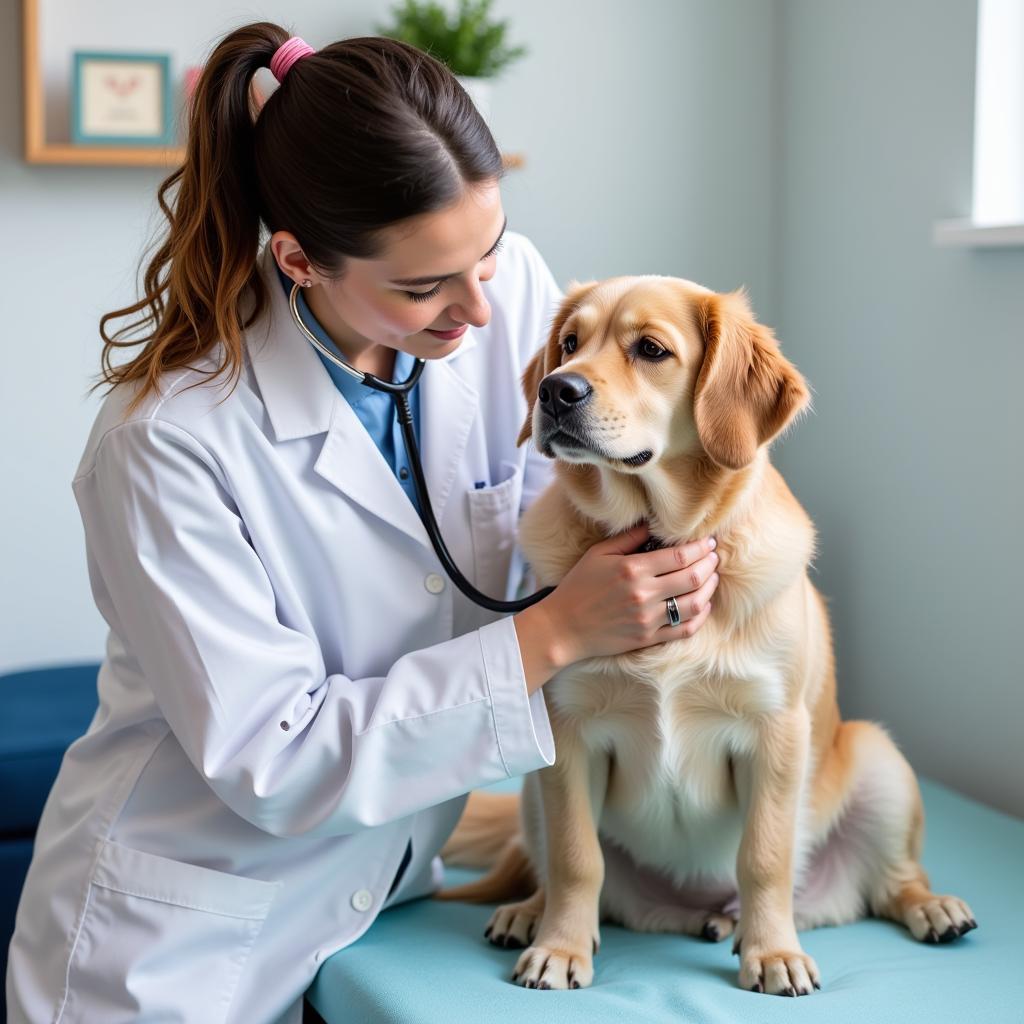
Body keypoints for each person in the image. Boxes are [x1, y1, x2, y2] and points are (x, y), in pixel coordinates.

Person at [5, 23, 721, 1024]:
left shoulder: (498, 289)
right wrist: (555, 632)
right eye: (424, 286)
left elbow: (544, 516)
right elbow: (276, 758)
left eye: (488, 249)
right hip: (184, 941)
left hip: (389, 888)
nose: (478, 308)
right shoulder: (166, 440)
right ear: (297, 259)